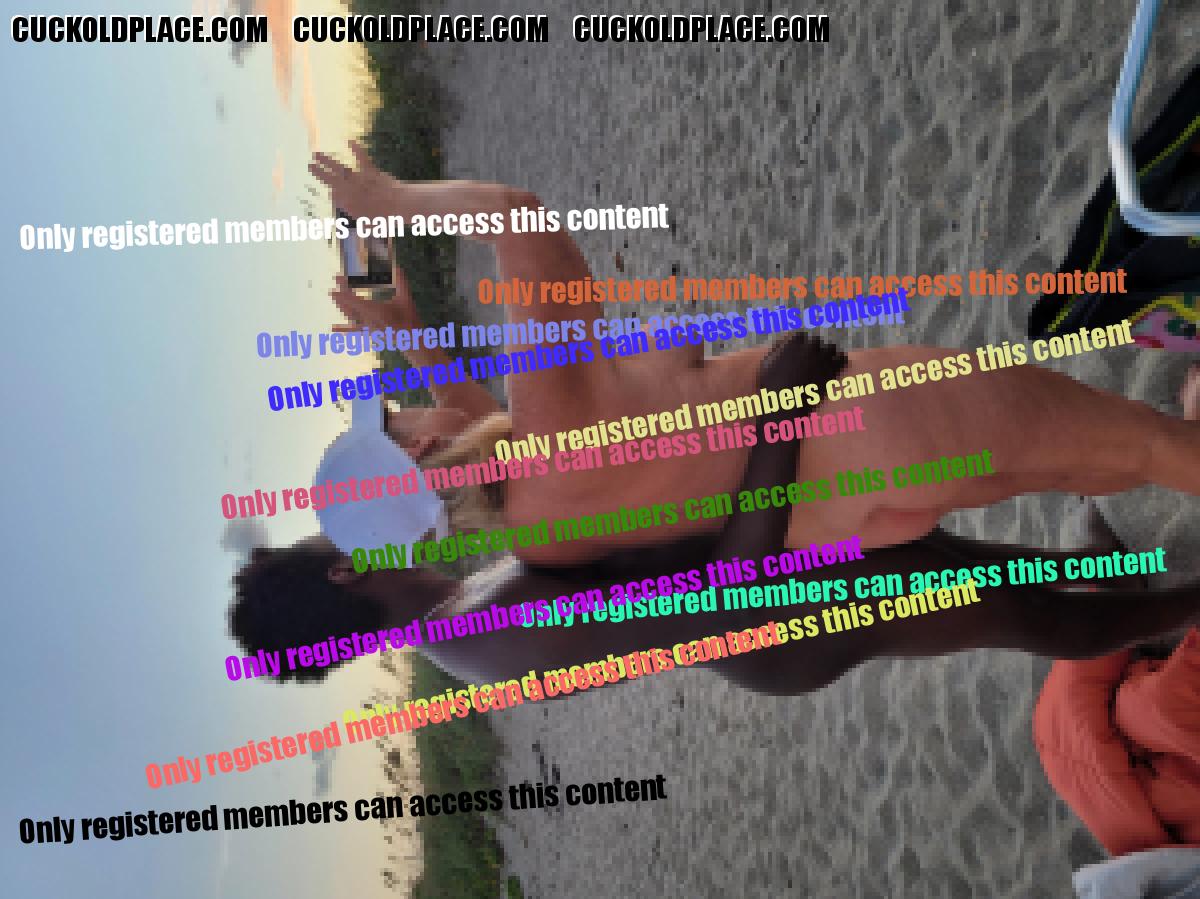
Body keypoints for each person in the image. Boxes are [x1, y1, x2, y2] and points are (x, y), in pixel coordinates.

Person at [310, 144, 1200, 568]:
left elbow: (483, 438)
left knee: (1100, 460)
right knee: (1142, 441)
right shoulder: (547, 415)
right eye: (393, 418)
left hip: (861, 515)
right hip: (882, 423)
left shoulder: (543, 536)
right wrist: (393, 200)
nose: (405, 405)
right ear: (420, 446)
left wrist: (406, 327)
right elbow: (518, 218)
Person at [230, 334, 1200, 691]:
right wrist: (781, 415)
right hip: (782, 618)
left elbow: (511, 457)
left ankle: (1121, 575)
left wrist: (408, 336)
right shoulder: (485, 636)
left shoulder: (457, 600)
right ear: (341, 569)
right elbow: (727, 602)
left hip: (773, 565)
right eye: (325, 541)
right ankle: (1182, 605)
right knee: (1013, 608)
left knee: (970, 560)